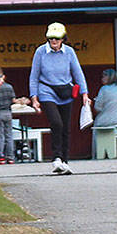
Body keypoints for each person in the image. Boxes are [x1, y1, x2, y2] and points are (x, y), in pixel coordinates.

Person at [29, 22, 90, 175]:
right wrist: (34, 97)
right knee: (56, 123)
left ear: (63, 38)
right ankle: (56, 157)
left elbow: (78, 73)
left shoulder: (69, 52)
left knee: (65, 127)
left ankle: (64, 161)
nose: (54, 42)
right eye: (51, 38)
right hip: (46, 89)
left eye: (57, 38)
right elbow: (34, 76)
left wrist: (85, 93)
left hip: (65, 90)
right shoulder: (40, 52)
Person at [0, 78, 17, 164]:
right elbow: (14, 100)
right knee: (9, 135)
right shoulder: (9, 87)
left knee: (0, 135)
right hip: (8, 112)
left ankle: (0, 156)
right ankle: (10, 157)